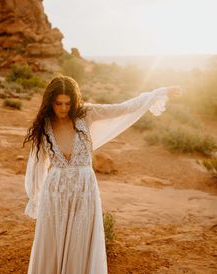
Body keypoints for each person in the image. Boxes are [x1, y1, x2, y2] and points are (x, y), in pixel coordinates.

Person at [23, 75, 182, 274]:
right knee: (52, 243)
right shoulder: (43, 126)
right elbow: (36, 164)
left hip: (84, 191)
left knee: (80, 242)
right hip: (55, 193)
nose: (63, 108)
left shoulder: (86, 114)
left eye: (68, 103)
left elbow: (123, 107)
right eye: (58, 103)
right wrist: (35, 197)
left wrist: (158, 93)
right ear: (50, 102)